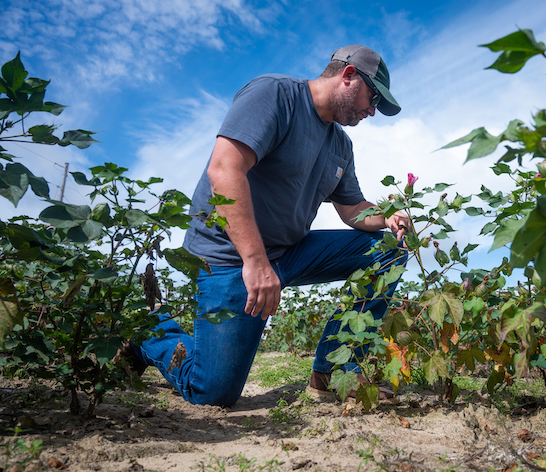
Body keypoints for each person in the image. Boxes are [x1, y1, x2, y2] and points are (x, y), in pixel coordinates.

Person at [129, 45, 410, 407]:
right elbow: (224, 171)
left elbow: (351, 208)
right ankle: (151, 331)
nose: (372, 111)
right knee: (213, 392)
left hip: (288, 253)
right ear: (349, 75)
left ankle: (332, 372)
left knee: (387, 251)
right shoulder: (275, 95)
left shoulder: (341, 144)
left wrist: (387, 215)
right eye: (373, 99)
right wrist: (256, 263)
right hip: (231, 256)